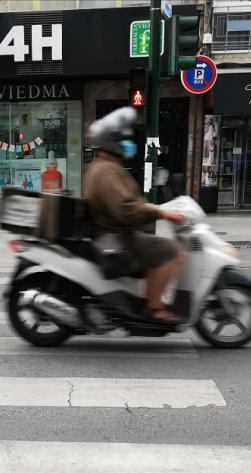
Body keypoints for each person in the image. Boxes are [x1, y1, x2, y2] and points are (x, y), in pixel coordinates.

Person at [83, 107, 186, 323]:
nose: (127, 144)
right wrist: (161, 212)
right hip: (117, 238)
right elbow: (126, 208)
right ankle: (154, 308)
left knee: (157, 247)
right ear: (111, 142)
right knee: (172, 251)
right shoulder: (107, 171)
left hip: (114, 233)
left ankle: (146, 298)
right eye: (122, 140)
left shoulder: (103, 167)